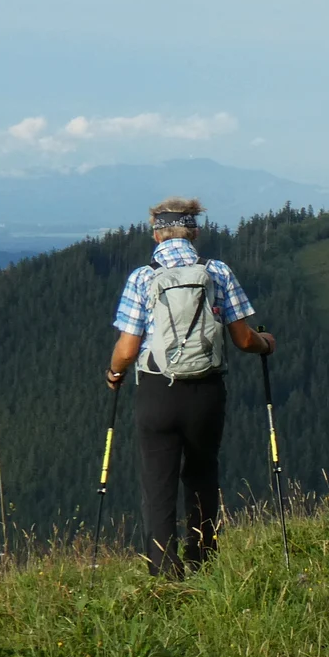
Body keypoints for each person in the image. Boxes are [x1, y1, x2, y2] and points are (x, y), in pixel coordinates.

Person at [105, 197, 275, 576]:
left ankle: (164, 572)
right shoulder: (216, 272)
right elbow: (244, 339)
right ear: (194, 232)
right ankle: (203, 563)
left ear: (156, 233)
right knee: (202, 473)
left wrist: (114, 372)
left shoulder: (142, 277)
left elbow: (128, 348)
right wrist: (268, 344)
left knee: (157, 481)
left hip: (156, 391)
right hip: (206, 390)